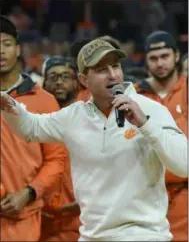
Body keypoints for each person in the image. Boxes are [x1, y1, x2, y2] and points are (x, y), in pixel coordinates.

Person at [0, 39, 187, 241]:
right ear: (83, 80)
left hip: (144, 234)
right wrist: (12, 107)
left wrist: (145, 125)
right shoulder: (74, 116)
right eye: (101, 69)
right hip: (92, 236)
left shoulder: (150, 109)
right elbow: (32, 128)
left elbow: (184, 165)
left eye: (115, 66)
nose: (113, 75)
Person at [0, 15, 65, 241]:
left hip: (23, 216)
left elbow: (56, 160)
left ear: (18, 49)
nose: (1, 51)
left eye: (6, 44)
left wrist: (29, 193)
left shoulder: (44, 100)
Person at [135, 31, 188, 241]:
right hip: (145, 196)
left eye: (165, 56)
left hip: (185, 195)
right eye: (153, 58)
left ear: (176, 56)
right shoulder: (134, 96)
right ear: (146, 61)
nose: (160, 63)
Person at [40, 56, 80, 241]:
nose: (59, 82)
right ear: (43, 82)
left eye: (66, 76)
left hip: (81, 218)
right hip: (40, 217)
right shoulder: (33, 122)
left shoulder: (91, 120)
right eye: (53, 77)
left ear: (77, 82)